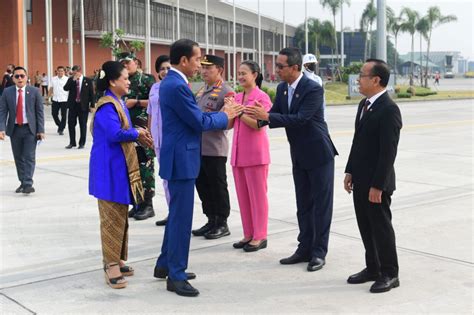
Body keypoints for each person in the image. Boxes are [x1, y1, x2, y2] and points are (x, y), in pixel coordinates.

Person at [154, 38, 241, 297]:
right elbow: (199, 121)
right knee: (181, 220)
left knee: (177, 215)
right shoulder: (177, 85)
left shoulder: (174, 83)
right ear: (183, 60)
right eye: (196, 59)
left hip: (180, 157)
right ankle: (176, 275)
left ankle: (164, 264)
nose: (199, 65)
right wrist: (227, 115)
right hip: (182, 159)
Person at [245, 47, 338, 272]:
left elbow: (301, 118)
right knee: (303, 204)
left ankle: (318, 252)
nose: (276, 70)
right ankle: (304, 248)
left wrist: (268, 117)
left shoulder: (313, 88)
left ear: (295, 68)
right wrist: (256, 116)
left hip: (319, 154)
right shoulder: (283, 88)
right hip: (298, 154)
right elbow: (276, 115)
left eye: (280, 66)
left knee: (320, 206)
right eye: (276, 65)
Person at [89, 60, 153, 290]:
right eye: (125, 78)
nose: (128, 81)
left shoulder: (118, 102)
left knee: (121, 217)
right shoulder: (107, 106)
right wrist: (136, 132)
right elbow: (116, 134)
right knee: (110, 219)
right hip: (108, 171)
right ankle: (110, 265)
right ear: (113, 80)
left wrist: (137, 132)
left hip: (117, 169)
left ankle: (118, 258)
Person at [344, 59, 402, 293]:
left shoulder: (389, 109)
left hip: (377, 182)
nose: (358, 79)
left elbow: (389, 152)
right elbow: (358, 141)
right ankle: (373, 268)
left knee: (381, 228)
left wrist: (378, 185)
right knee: (365, 227)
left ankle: (390, 273)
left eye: (362, 75)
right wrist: (350, 170)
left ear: (376, 80)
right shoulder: (364, 104)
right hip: (361, 178)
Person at [229, 60, 272, 252]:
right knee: (243, 197)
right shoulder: (237, 97)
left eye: (244, 73)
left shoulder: (261, 97)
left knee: (258, 197)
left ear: (255, 75)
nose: (240, 76)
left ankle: (260, 235)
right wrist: (228, 111)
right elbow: (229, 125)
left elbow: (258, 124)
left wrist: (239, 114)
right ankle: (248, 233)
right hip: (238, 155)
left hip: (256, 155)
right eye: (238, 73)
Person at [192, 54, 234, 240]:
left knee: (217, 186)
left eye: (209, 68)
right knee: (202, 185)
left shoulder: (227, 92)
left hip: (215, 148)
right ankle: (211, 219)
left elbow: (228, 121)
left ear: (220, 70)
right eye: (203, 67)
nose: (204, 71)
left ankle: (222, 222)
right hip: (198, 147)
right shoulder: (201, 91)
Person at [119, 52, 157, 221]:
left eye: (128, 62)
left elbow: (156, 102)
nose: (126, 66)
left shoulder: (147, 80)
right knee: (131, 166)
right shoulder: (121, 80)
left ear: (136, 62)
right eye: (123, 64)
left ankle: (148, 204)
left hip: (143, 128)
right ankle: (137, 202)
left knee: (145, 165)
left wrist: (137, 102)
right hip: (127, 128)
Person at [0, 66, 45, 194]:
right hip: (14, 130)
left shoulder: (35, 91)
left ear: (27, 78)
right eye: (17, 76)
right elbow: (2, 111)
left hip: (30, 129)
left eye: (22, 76)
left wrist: (40, 130)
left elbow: (39, 112)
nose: (20, 78)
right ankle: (23, 182)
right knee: (18, 157)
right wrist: (1, 128)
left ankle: (27, 183)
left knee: (29, 156)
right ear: (13, 78)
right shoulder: (7, 92)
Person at [147, 55, 172, 227]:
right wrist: (149, 133)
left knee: (172, 177)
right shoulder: (154, 87)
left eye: (169, 68)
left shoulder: (176, 87)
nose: (165, 71)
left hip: (171, 137)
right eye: (162, 68)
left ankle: (176, 213)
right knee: (164, 177)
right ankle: (171, 211)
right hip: (157, 138)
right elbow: (150, 112)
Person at [64, 65, 94, 149]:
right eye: (73, 73)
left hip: (83, 106)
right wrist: (72, 80)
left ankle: (82, 143)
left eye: (75, 72)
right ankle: (72, 142)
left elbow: (91, 93)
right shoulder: (71, 79)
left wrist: (92, 105)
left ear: (80, 71)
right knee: (71, 124)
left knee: (82, 125)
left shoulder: (87, 80)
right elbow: (65, 88)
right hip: (73, 106)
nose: (74, 74)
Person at [49, 66, 69, 135]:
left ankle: (61, 129)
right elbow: (51, 88)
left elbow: (70, 90)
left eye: (62, 71)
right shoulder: (53, 79)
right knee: (54, 114)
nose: (60, 72)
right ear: (57, 71)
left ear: (64, 72)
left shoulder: (67, 79)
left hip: (64, 99)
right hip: (55, 99)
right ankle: (60, 125)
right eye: (59, 71)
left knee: (63, 115)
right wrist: (47, 97)